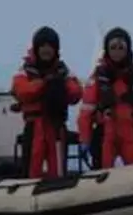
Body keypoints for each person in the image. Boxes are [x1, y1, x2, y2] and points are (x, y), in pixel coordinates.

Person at [77, 27, 133, 169]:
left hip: (130, 130)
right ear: (107, 49)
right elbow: (86, 111)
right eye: (113, 48)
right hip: (105, 131)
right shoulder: (98, 77)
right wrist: (85, 139)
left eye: (120, 48)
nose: (117, 52)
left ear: (127, 49)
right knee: (102, 175)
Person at [11, 26, 83, 179]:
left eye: (50, 46)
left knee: (58, 172)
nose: (46, 49)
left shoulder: (63, 71)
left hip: (56, 126)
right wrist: (45, 83)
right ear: (36, 48)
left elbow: (76, 94)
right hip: (34, 127)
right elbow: (22, 91)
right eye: (42, 45)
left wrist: (59, 84)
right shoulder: (24, 70)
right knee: (32, 172)